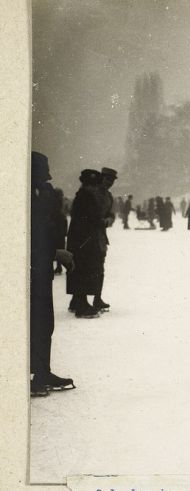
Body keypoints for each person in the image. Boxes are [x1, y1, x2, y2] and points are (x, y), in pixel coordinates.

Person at [30, 151, 76, 396]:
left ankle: (41, 371)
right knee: (30, 321)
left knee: (43, 322)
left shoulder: (40, 193)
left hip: (40, 269)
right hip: (29, 269)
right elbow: (29, 235)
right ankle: (29, 374)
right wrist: (54, 253)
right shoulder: (23, 195)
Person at [66, 169, 106, 318]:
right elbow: (91, 219)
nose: (96, 188)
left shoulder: (82, 195)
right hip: (84, 240)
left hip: (80, 239)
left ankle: (77, 301)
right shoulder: (86, 197)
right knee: (84, 270)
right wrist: (102, 222)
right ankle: (81, 305)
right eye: (94, 185)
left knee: (80, 269)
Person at [94, 166, 117, 311]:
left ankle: (97, 297)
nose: (109, 183)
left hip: (101, 236)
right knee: (86, 267)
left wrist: (109, 219)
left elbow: (111, 213)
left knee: (99, 268)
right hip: (89, 236)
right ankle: (78, 299)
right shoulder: (92, 193)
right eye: (107, 179)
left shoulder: (108, 196)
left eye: (112, 180)